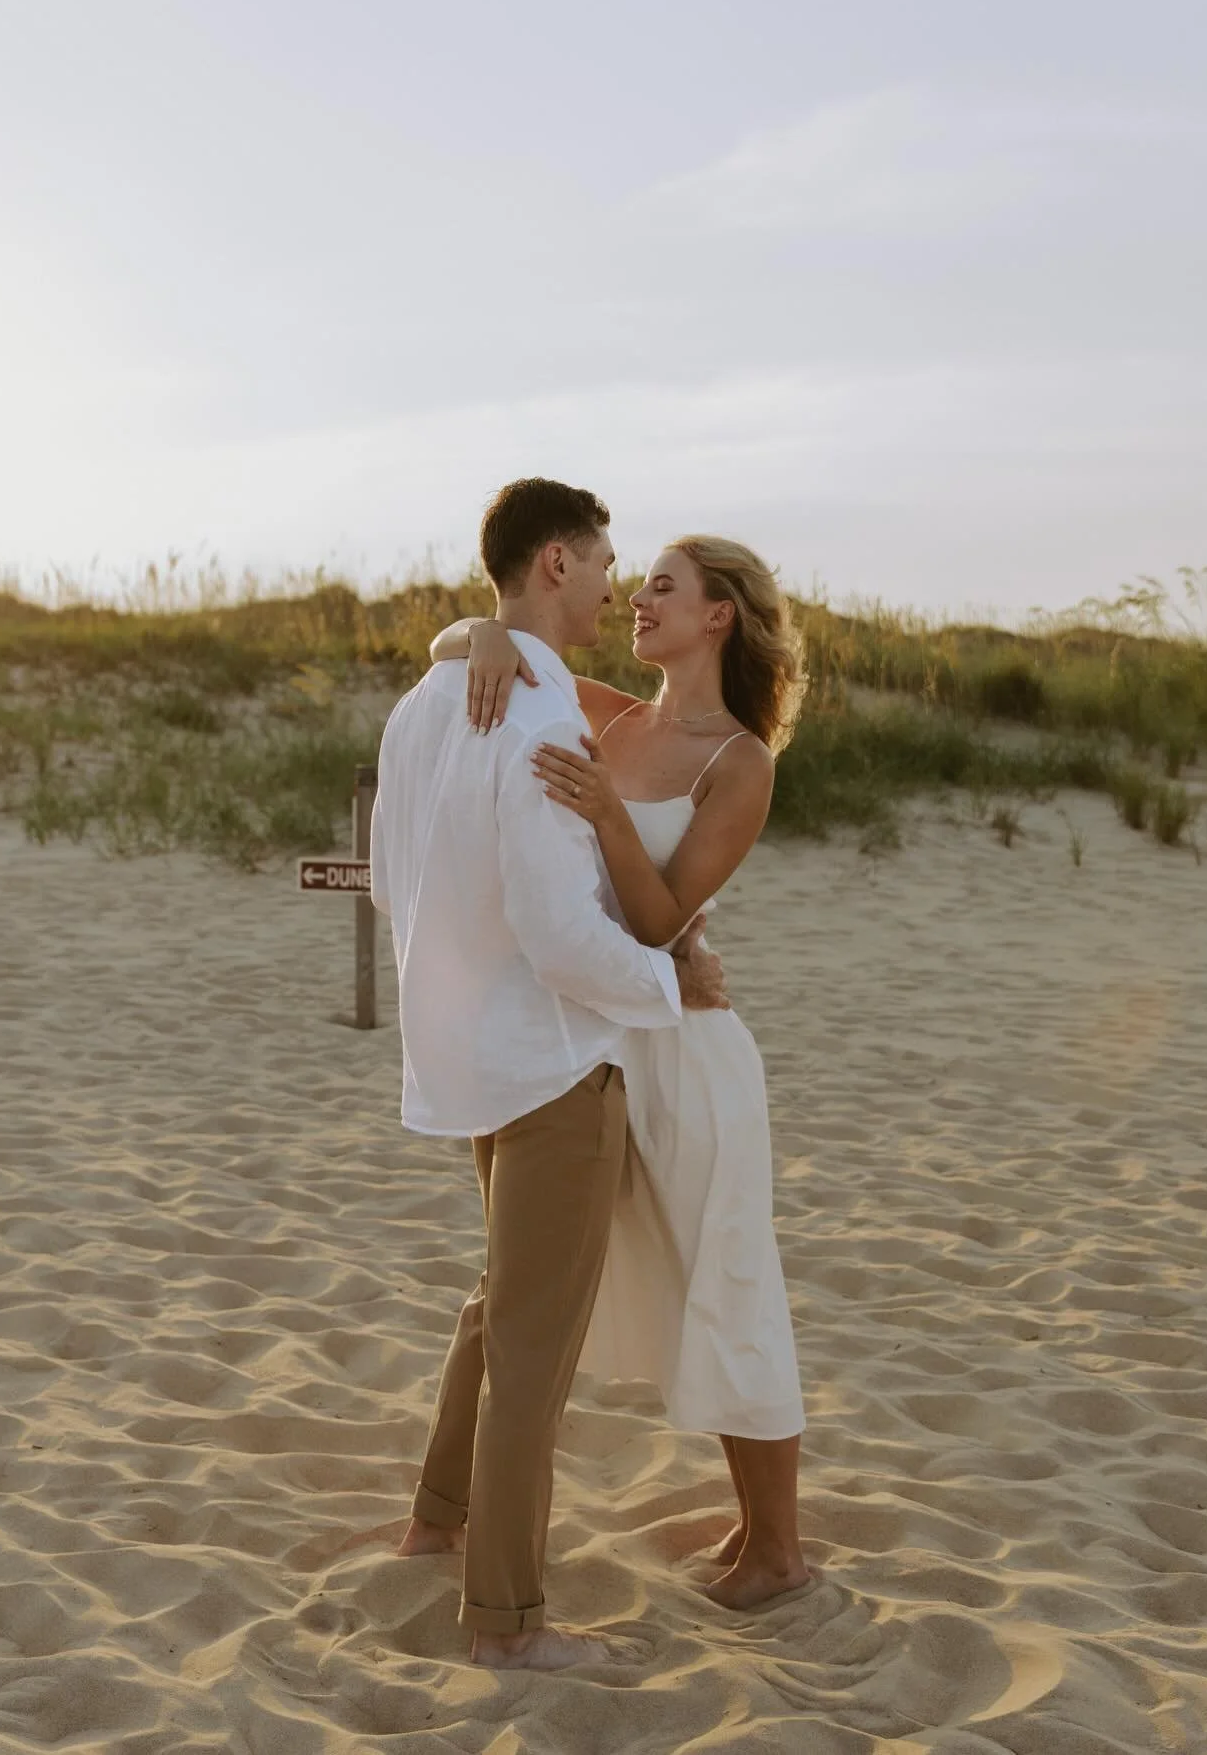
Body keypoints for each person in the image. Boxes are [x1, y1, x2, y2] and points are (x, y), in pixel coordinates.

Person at [369, 480, 730, 1672]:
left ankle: (435, 1518)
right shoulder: (537, 722)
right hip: (553, 1067)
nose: (619, 583)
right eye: (608, 562)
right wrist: (673, 984)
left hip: (472, 1056)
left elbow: (391, 886)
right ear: (558, 561)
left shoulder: (424, 705)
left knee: (497, 1305)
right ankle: (506, 1626)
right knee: (533, 1344)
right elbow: (562, 933)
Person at [428, 533, 814, 1614]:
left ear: (719, 616)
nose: (637, 598)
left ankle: (778, 1547)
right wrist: (495, 632)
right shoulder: (603, 707)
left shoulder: (740, 761)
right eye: (635, 580)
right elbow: (447, 640)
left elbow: (658, 917)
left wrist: (604, 812)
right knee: (532, 1272)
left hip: (688, 1055)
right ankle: (441, 1509)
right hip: (590, 1040)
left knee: (725, 1275)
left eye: (662, 586)